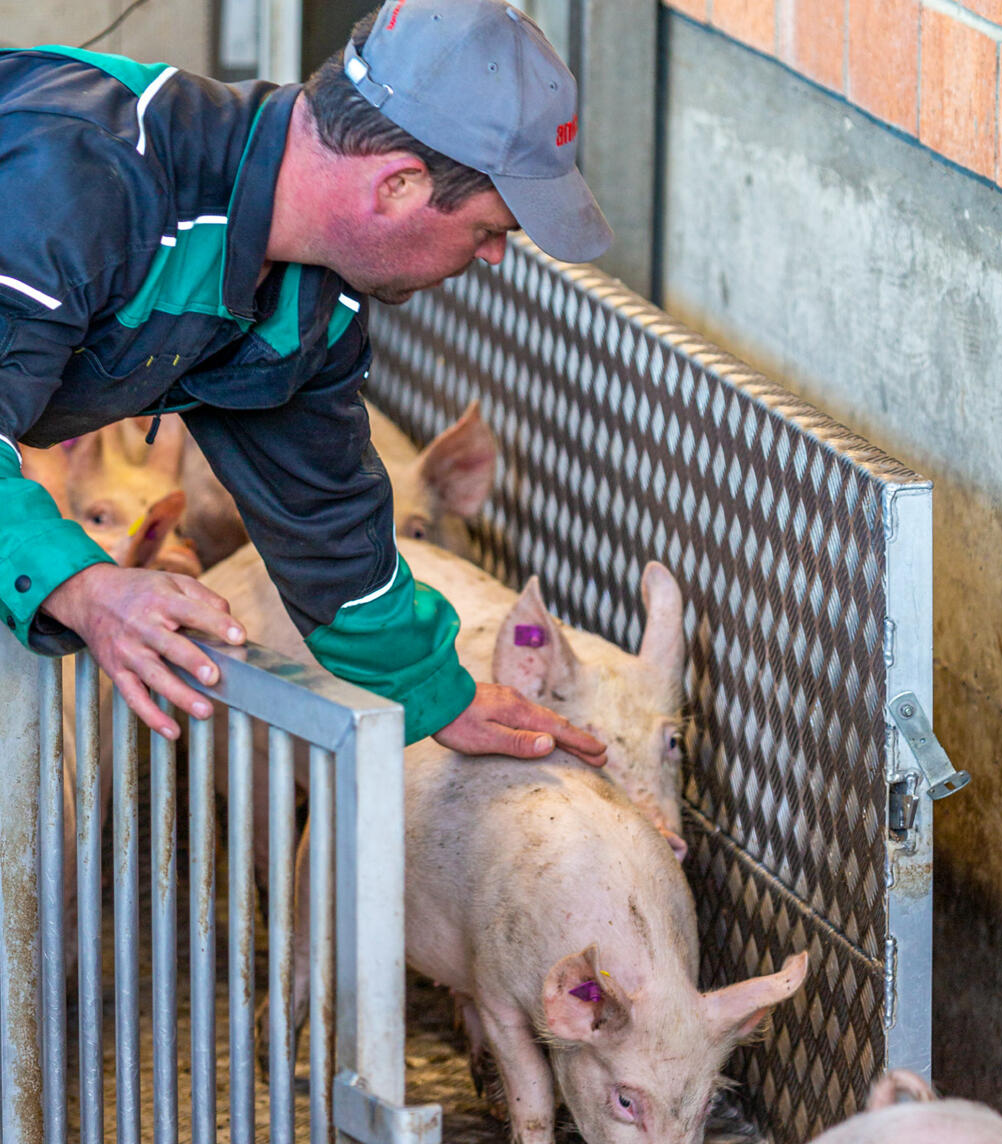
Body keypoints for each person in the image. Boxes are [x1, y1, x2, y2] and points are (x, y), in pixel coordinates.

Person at [0, 0, 611, 764]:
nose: (492, 257)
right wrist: (84, 587)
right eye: (490, 230)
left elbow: (322, 517)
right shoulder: (79, 180)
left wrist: (435, 693)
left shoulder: (301, 300)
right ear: (396, 186)